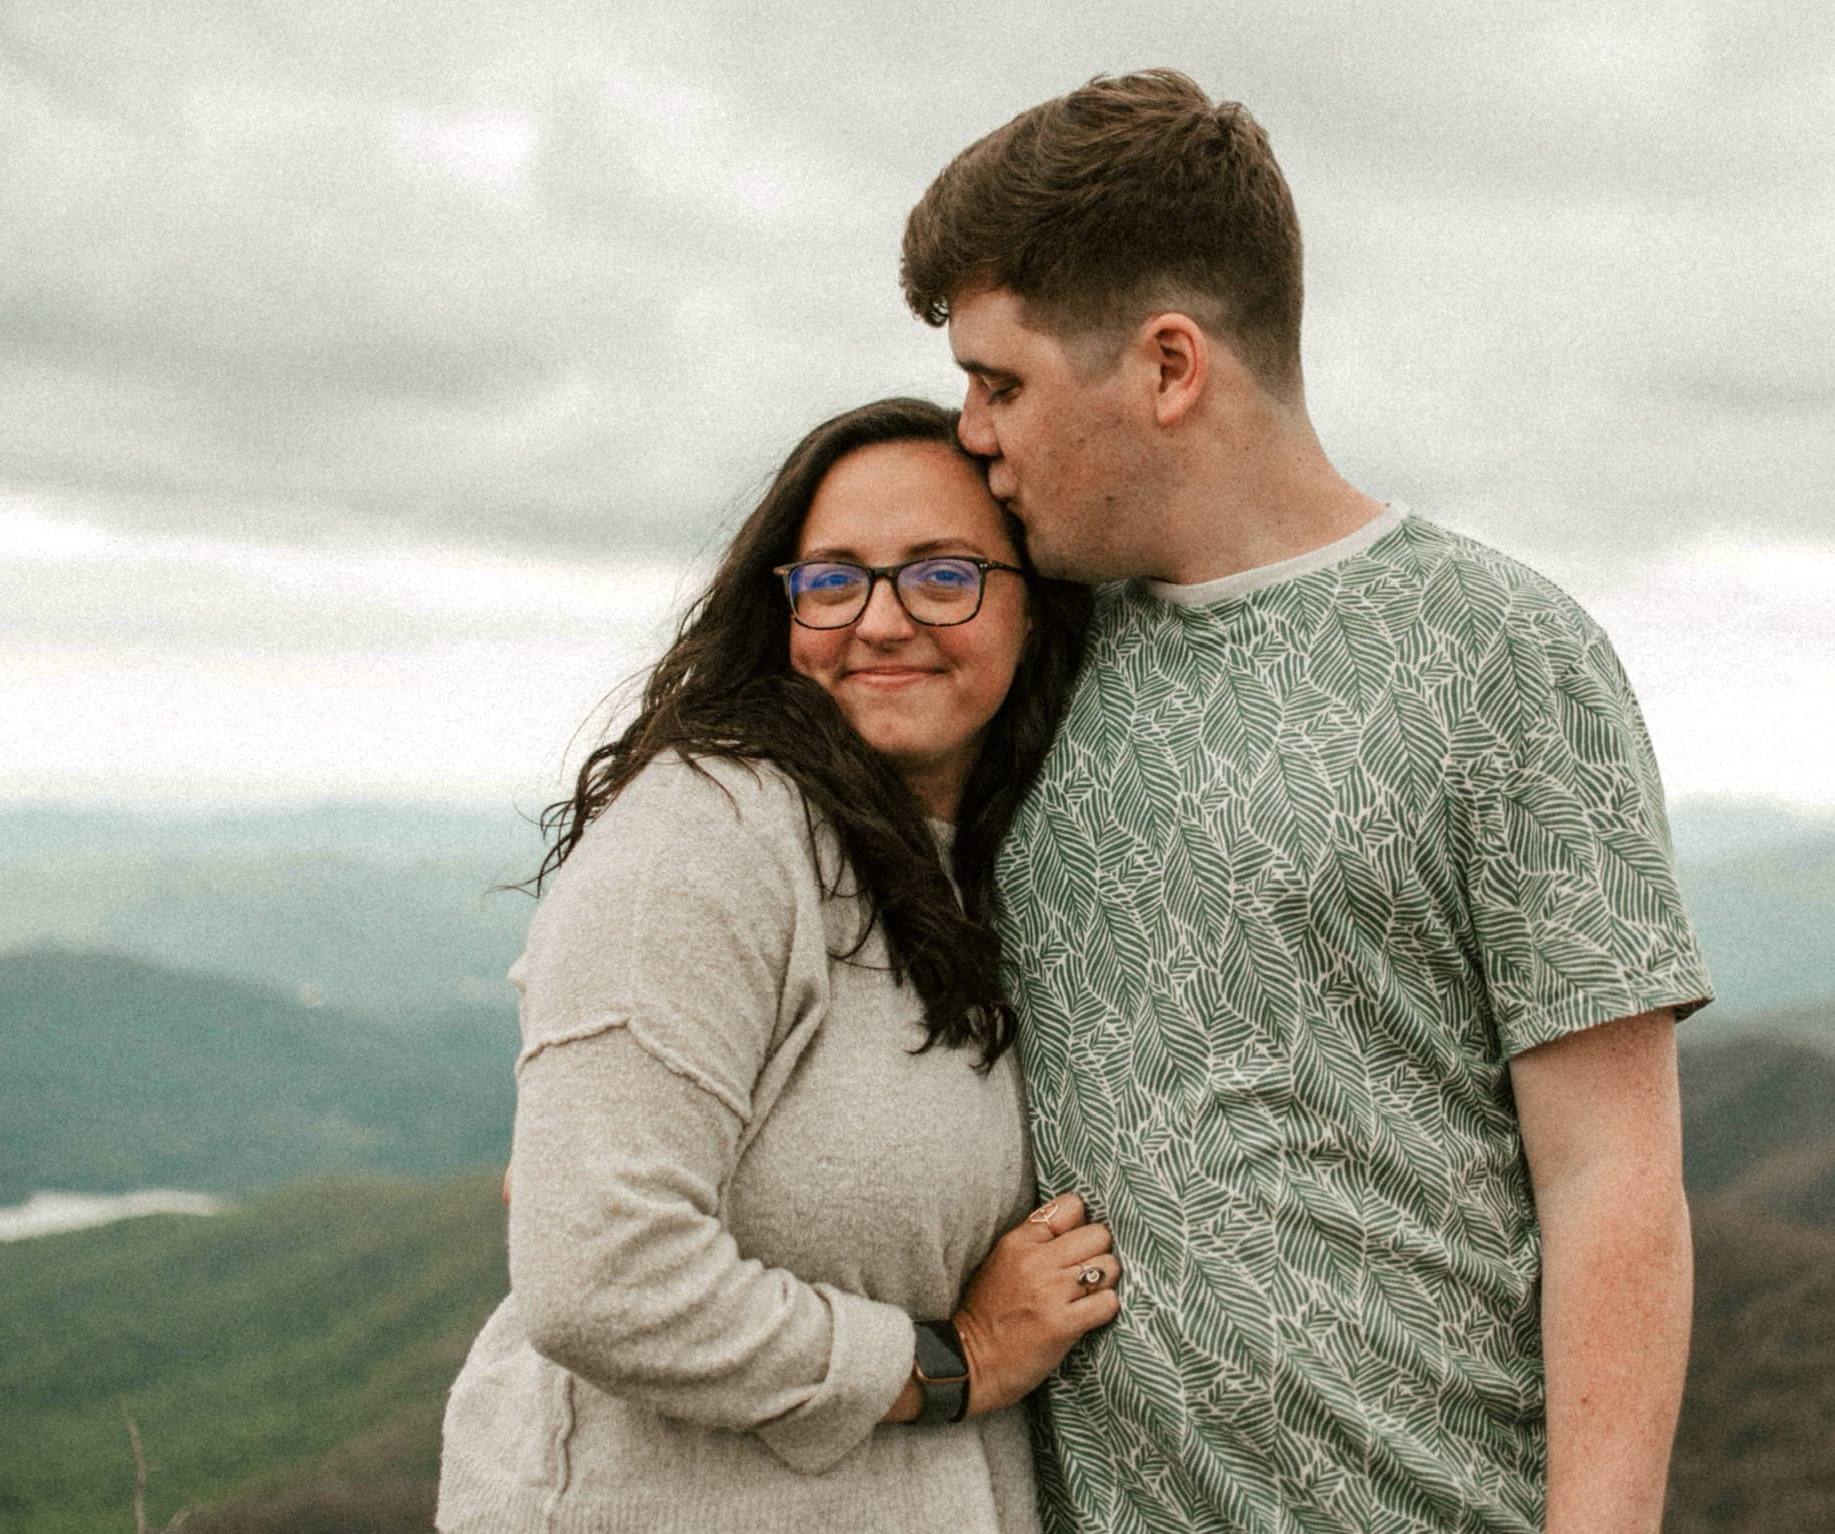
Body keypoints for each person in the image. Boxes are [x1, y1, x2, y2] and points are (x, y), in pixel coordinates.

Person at [900, 72, 1714, 1533]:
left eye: (1001, 380)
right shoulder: (1025, 660)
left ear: (1167, 365)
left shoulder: (1501, 651)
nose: (970, 431)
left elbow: (1612, 1173)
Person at [437, 397, 1110, 1532]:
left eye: (942, 575)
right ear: (782, 609)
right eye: (834, 579)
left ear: (1034, 611)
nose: (883, 621)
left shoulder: (986, 857)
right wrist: (962, 1358)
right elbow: (600, 1276)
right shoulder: (706, 837)